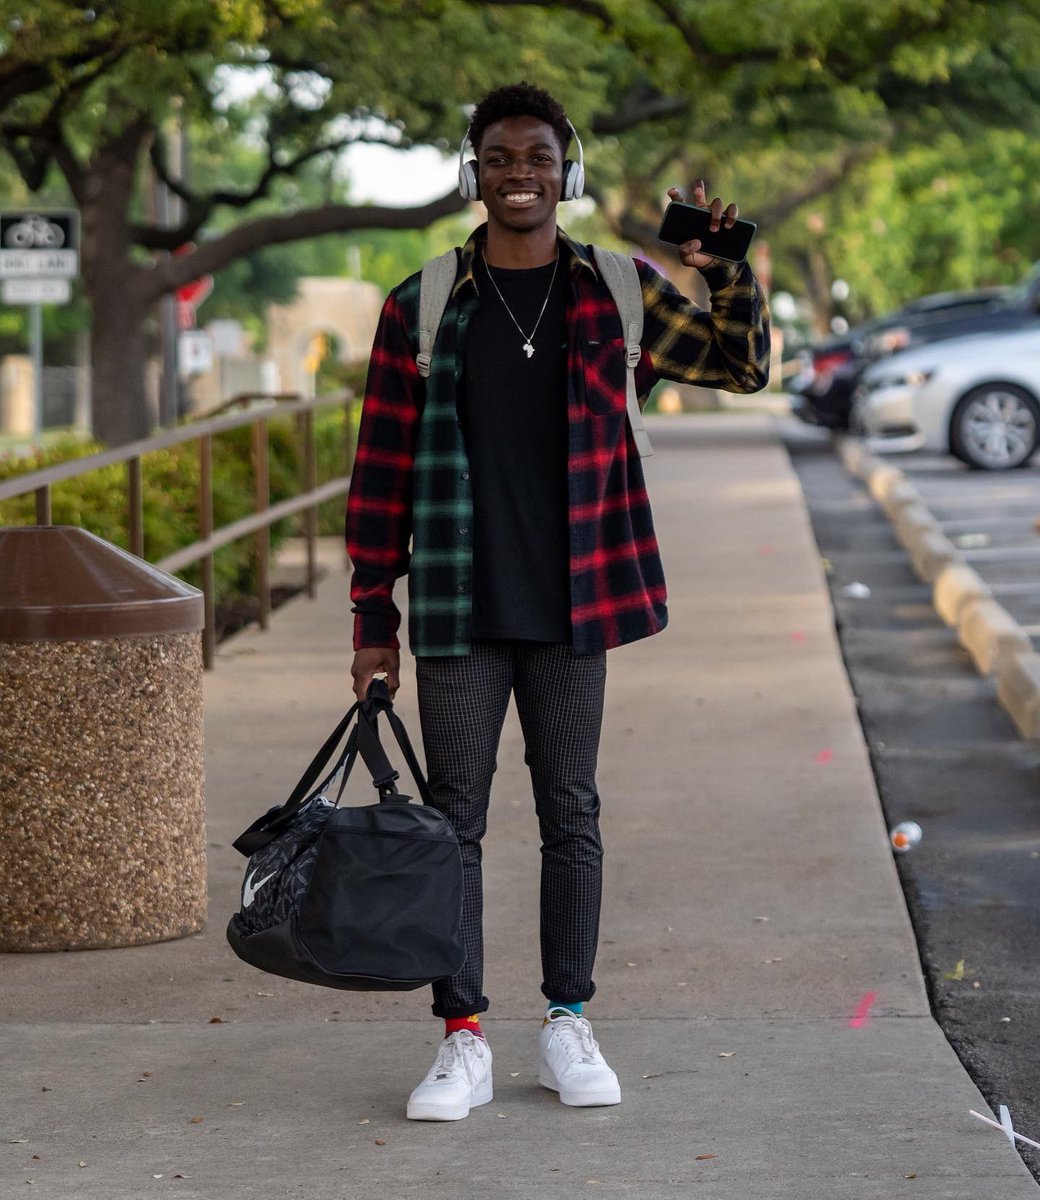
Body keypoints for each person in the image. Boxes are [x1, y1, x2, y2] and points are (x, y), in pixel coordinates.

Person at [345, 81, 769, 1122]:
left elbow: (740, 363)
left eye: (536, 156)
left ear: (564, 169)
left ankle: (567, 1022)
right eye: (498, 157)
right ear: (472, 173)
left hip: (577, 605)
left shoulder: (614, 291)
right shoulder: (420, 300)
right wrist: (371, 621)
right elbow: (379, 473)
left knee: (570, 815)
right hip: (457, 606)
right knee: (456, 822)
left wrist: (723, 268)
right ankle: (462, 1037)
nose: (518, 174)